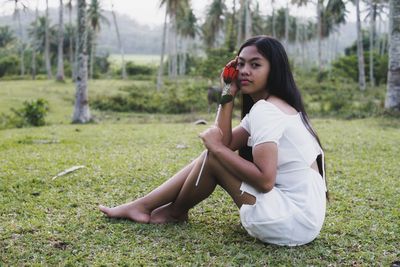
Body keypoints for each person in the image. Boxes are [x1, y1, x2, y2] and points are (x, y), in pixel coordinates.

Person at [99, 35, 328, 246]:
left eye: (255, 65)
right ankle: (146, 206)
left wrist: (217, 148)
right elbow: (225, 141)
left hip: (290, 220)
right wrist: (227, 92)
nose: (244, 71)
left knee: (214, 156)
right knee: (214, 154)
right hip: (305, 222)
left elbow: (265, 180)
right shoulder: (275, 107)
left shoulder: (266, 111)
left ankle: (171, 211)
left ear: (274, 70)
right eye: (240, 64)